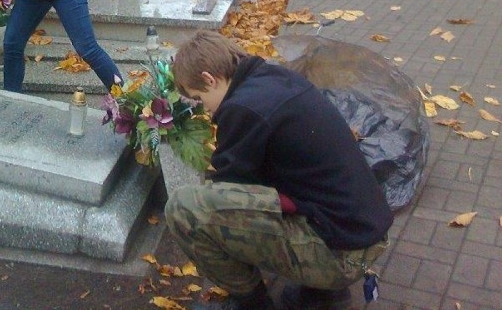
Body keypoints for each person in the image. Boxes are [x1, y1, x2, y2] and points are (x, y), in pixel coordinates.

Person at [166, 31, 393, 310]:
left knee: (185, 210)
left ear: (210, 79)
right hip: (361, 232)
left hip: (342, 253)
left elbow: (228, 195)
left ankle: (254, 304)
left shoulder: (243, 108)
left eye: (199, 98)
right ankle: (323, 294)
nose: (205, 110)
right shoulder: (271, 78)